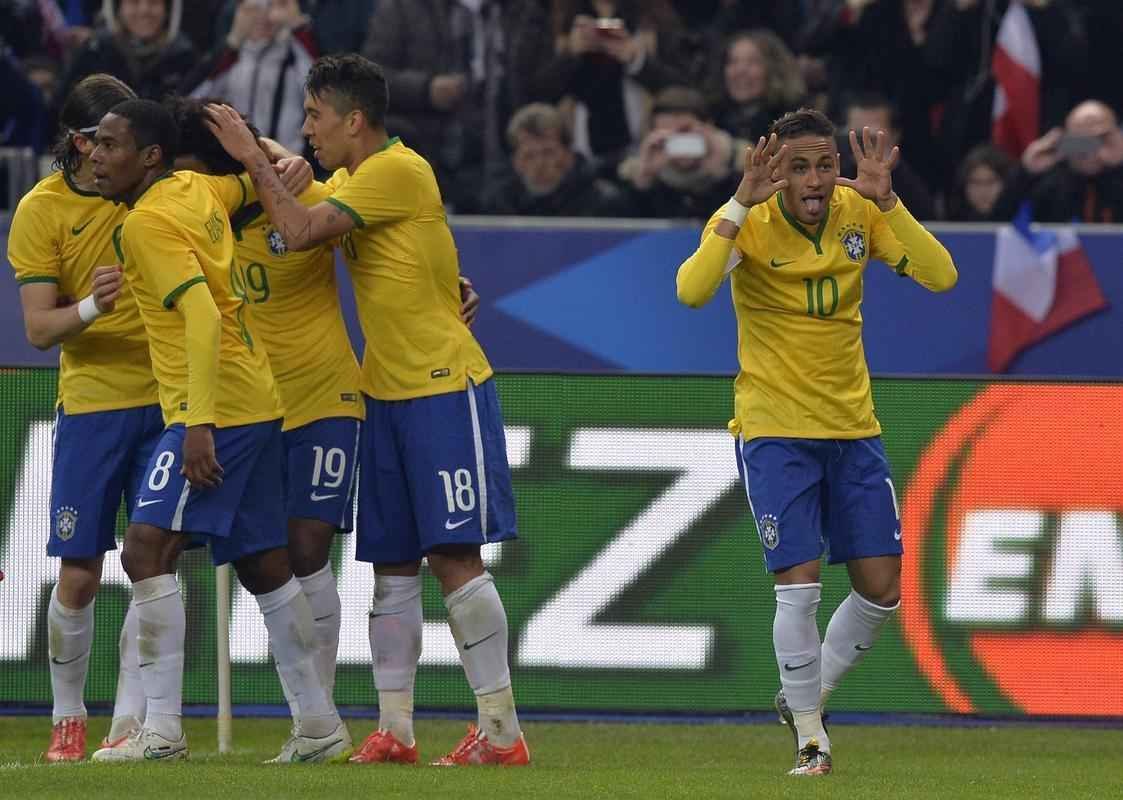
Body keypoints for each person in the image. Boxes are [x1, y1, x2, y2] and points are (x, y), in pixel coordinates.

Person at [205, 53, 529, 766]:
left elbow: (297, 229)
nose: (307, 129)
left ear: (353, 120)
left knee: (454, 556)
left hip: (441, 384)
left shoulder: (396, 170)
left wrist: (253, 159)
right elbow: (308, 183)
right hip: (383, 391)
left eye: (315, 116)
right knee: (392, 565)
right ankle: (395, 730)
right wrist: (271, 152)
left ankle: (502, 731)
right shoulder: (357, 179)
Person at [675, 109, 957, 775]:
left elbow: (941, 276)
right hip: (775, 430)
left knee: (881, 589)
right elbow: (691, 291)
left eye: (824, 165)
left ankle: (805, 694)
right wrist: (738, 204)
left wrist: (889, 201)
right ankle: (811, 738)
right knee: (798, 587)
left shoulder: (860, 214)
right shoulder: (749, 221)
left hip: (853, 429)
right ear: (774, 170)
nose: (814, 180)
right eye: (798, 167)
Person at [86, 98, 345, 763]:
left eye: (111, 145)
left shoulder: (146, 224)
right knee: (265, 565)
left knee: (145, 551)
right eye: (95, 143)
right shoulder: (197, 189)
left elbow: (200, 317)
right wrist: (269, 157)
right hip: (256, 398)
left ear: (150, 157)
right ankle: (319, 725)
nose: (95, 155)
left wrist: (197, 425)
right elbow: (255, 184)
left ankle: (162, 732)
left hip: (215, 408)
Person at [7, 73, 153, 763]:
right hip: (93, 403)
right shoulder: (40, 211)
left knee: (153, 563)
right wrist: (95, 305)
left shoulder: (154, 188)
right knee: (79, 573)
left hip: (169, 401)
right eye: (103, 140)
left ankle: (130, 722)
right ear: (77, 142)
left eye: (122, 140)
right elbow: (39, 330)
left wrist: (284, 158)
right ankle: (68, 718)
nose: (112, 153)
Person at [187, 0, 318, 155]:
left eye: (270, 6)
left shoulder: (294, 54)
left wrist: (297, 24)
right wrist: (233, 41)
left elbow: (320, 91)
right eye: (253, 9)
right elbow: (193, 101)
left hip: (287, 158)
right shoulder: (231, 57)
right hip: (236, 159)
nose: (262, 17)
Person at [479, 101, 628, 216]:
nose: (540, 163)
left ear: (569, 155)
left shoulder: (602, 202)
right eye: (529, 155)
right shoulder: (499, 205)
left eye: (548, 152)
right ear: (515, 161)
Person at [617, 86, 744, 219]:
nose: (676, 140)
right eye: (665, 135)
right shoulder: (631, 176)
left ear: (708, 127)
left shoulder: (744, 169)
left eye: (684, 131)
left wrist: (721, 175)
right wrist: (644, 180)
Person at [56, 1, 197, 104]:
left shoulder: (183, 56)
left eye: (154, 2)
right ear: (118, 7)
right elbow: (63, 110)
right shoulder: (95, 51)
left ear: (168, 9)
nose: (144, 10)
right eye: (133, 2)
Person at [1019, 100, 1123, 223]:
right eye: (1081, 140)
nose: (1090, 147)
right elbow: (1005, 223)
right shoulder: (1050, 184)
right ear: (1066, 140)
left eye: (1101, 139)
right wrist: (1026, 172)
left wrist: (1118, 163)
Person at [839, 92, 936, 221]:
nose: (864, 143)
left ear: (895, 135)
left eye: (872, 138)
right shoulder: (835, 176)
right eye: (857, 136)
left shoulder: (915, 187)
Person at [709, 29, 804, 144]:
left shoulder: (795, 123)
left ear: (775, 69)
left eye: (753, 62)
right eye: (733, 61)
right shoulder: (713, 118)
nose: (740, 70)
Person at [947, 143, 1022, 222]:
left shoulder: (1023, 221)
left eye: (991, 182)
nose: (983, 190)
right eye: (976, 182)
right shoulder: (950, 220)